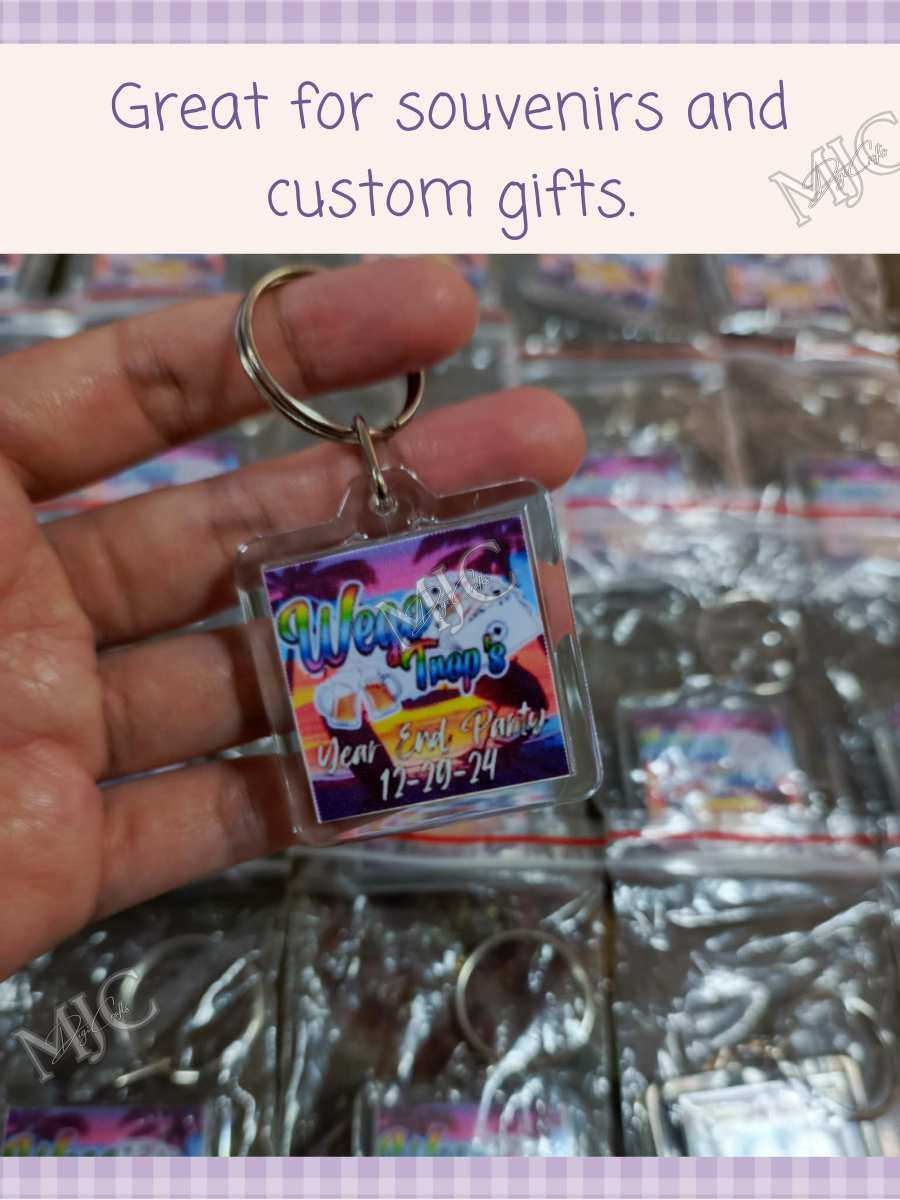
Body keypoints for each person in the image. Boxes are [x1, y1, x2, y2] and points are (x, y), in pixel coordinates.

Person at [0, 256, 585, 980]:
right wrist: (357, 722)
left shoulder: (484, 672)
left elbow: (507, 712)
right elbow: (380, 766)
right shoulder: (364, 690)